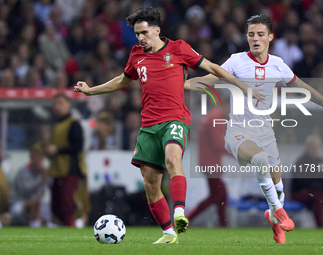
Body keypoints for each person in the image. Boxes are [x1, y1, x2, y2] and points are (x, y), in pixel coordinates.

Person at [74, 6, 263, 244]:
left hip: (175, 119)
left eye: (144, 32)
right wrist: (91, 91)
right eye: (137, 34)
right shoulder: (136, 55)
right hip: (148, 125)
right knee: (150, 183)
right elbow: (122, 80)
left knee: (173, 159)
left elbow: (213, 68)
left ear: (157, 30)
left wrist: (242, 86)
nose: (140, 38)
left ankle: (180, 213)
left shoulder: (179, 48)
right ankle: (167, 233)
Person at [186, 14, 323, 244]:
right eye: (250, 35)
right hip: (238, 131)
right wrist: (183, 84)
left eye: (260, 34)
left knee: (278, 186)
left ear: (270, 36)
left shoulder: (278, 65)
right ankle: (279, 211)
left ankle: (274, 217)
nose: (255, 39)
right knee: (260, 160)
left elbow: (303, 88)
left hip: (266, 133)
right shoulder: (236, 61)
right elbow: (210, 78)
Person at [45, 93, 88, 226]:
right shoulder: (56, 124)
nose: (57, 107)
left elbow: (78, 147)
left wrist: (57, 150)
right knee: (56, 205)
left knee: (67, 204)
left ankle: (72, 226)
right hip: (57, 169)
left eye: (61, 103)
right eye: (55, 104)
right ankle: (64, 227)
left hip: (70, 169)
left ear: (68, 105)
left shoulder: (74, 124)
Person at [186, 104, 230, 227]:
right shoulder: (217, 117)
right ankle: (186, 219)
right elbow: (218, 143)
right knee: (216, 195)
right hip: (211, 162)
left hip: (207, 161)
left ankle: (223, 224)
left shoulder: (211, 115)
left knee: (222, 195)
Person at [292, 135, 323, 227]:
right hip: (302, 192)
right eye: (313, 146)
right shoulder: (301, 162)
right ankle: (321, 227)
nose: (315, 149)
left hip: (318, 193)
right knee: (318, 198)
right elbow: (304, 183)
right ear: (307, 147)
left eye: (317, 146)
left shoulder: (321, 162)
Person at [9, 142, 50, 227]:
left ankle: (38, 223)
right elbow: (26, 190)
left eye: (40, 157)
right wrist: (41, 180)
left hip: (36, 205)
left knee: (47, 208)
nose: (39, 160)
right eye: (36, 157)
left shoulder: (43, 172)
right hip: (18, 204)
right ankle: (34, 225)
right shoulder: (23, 171)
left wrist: (47, 178)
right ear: (31, 157)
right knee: (35, 204)